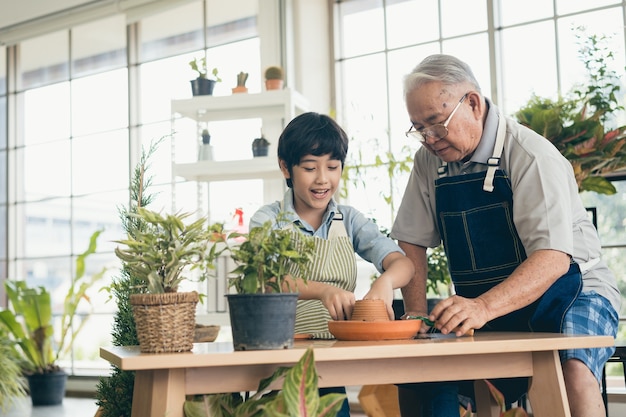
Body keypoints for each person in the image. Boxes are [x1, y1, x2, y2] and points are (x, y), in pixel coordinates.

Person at [390, 54, 621, 417]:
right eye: (419, 128)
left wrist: (482, 307)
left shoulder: (530, 155)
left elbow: (552, 259)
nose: (429, 139)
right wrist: (417, 312)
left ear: (473, 103)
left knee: (571, 370)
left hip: (574, 291)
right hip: (489, 303)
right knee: (420, 370)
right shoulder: (429, 161)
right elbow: (412, 240)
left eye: (436, 123)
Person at [250, 111, 415, 417]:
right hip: (280, 366)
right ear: (286, 167)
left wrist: (385, 282)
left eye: (333, 167)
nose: (323, 179)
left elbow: (403, 264)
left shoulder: (349, 220)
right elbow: (268, 278)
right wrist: (324, 291)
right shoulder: (268, 219)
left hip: (330, 365)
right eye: (310, 167)